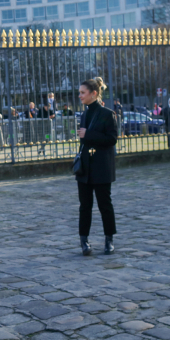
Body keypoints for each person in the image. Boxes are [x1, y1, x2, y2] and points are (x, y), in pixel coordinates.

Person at [75, 77, 118, 256]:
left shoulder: (108, 114)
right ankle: (84, 240)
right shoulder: (84, 114)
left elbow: (112, 139)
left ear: (94, 93)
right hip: (85, 167)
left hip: (102, 166)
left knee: (104, 205)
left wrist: (89, 134)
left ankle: (109, 239)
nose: (80, 96)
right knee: (85, 206)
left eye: (83, 93)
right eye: (79, 93)